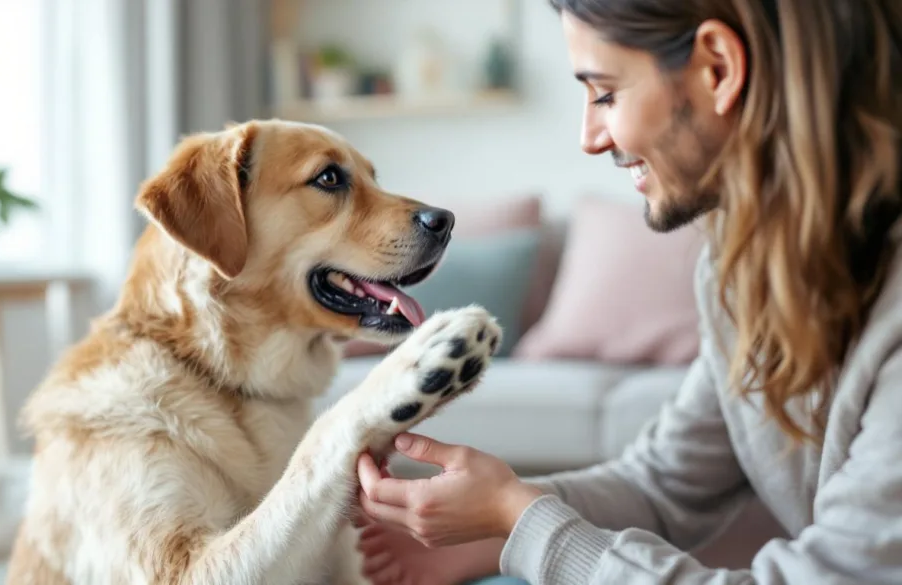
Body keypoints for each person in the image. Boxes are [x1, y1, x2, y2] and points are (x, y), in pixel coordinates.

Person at [352, 0, 902, 584]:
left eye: (606, 92)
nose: (589, 137)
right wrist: (493, 523)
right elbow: (666, 483)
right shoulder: (740, 270)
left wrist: (519, 518)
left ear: (719, 68)